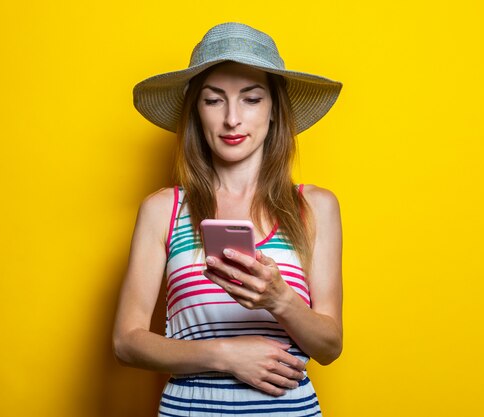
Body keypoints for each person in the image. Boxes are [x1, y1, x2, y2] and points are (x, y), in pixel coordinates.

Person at [113, 22, 343, 416]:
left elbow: (329, 346)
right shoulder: (163, 209)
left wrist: (279, 299)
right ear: (196, 113)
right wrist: (226, 356)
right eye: (214, 100)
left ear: (274, 111)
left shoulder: (315, 206)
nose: (232, 119)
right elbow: (126, 342)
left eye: (251, 99)